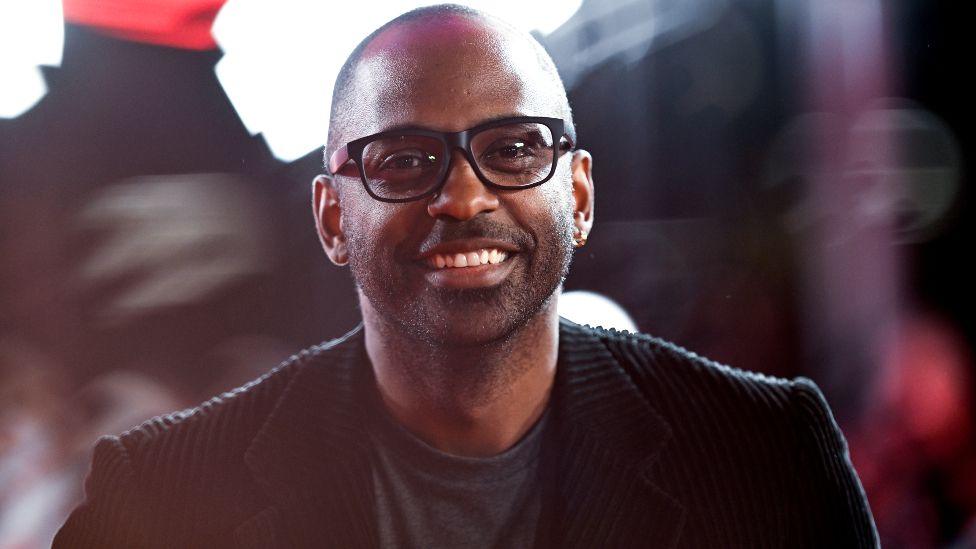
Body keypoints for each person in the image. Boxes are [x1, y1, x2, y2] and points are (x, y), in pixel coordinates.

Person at [54, 4, 879, 548]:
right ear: (333, 218)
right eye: (405, 160)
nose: (463, 195)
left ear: (580, 194)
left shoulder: (767, 459)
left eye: (514, 148)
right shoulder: (158, 498)